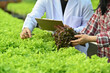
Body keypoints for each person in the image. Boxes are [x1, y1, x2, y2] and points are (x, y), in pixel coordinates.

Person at [20, 0, 93, 55]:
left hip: (77, 50)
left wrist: (70, 30)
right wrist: (27, 27)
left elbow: (89, 28)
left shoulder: (85, 2)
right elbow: (34, 15)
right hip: (53, 47)